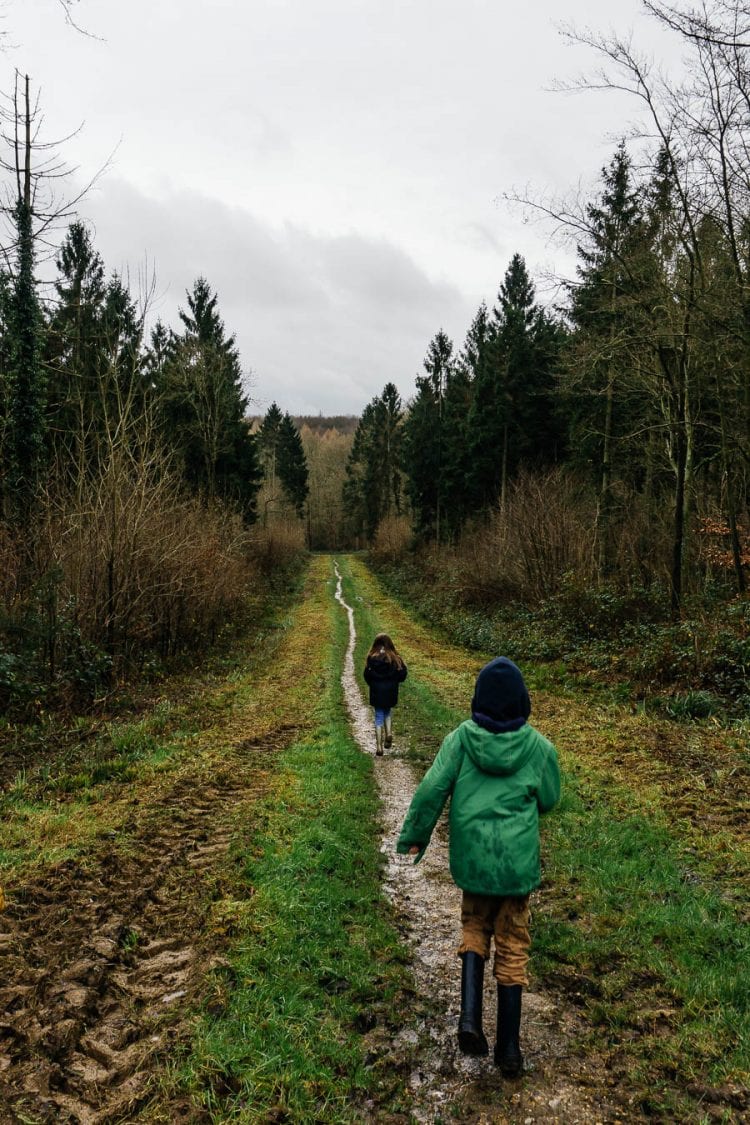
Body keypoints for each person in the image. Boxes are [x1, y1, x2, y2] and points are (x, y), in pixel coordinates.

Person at [396, 656, 560, 1077]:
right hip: (515, 869)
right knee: (513, 945)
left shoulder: (460, 741)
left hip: (473, 862)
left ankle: (469, 1019)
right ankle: (508, 1048)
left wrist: (416, 833)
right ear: (523, 703)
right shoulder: (539, 749)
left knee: (474, 928)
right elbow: (551, 799)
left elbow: (433, 787)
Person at [363, 633, 408, 756]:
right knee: (387, 711)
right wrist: (395, 681)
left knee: (378, 716)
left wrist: (372, 684)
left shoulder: (371, 658)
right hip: (391, 691)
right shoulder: (395, 658)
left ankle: (379, 747)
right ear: (390, 643)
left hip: (377, 691)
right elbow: (403, 674)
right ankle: (389, 733)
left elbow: (366, 675)